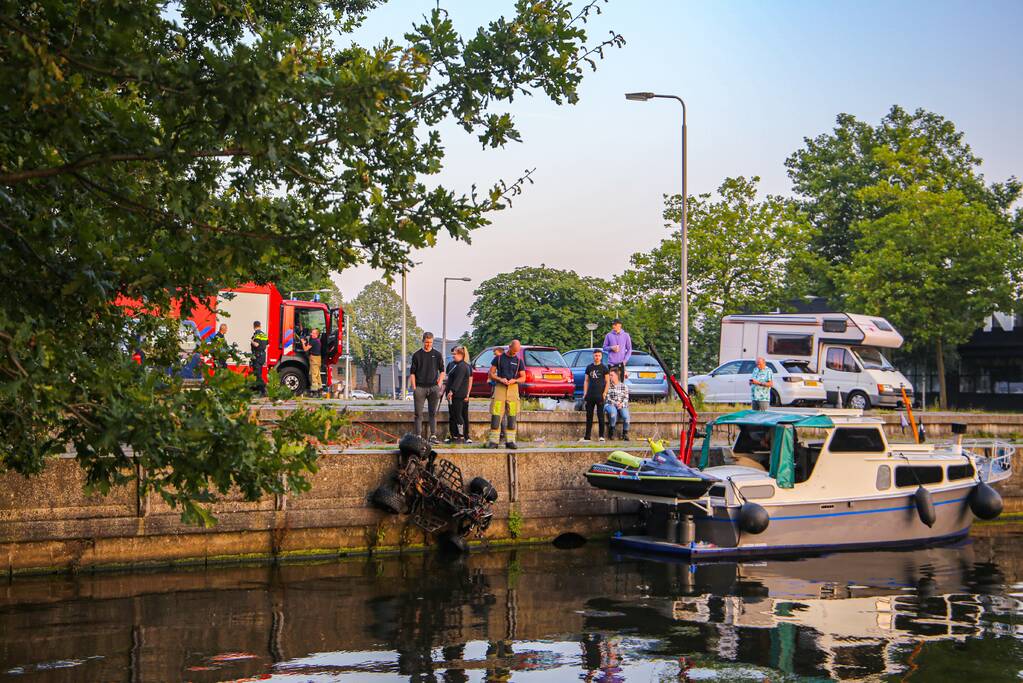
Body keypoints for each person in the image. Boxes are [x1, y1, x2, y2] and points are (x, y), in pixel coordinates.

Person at [488, 339, 526, 449]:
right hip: (500, 388)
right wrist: (500, 379)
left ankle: (510, 441)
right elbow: (491, 373)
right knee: (496, 415)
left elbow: (523, 377)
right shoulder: (498, 358)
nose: (514, 353)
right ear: (509, 347)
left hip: (513, 390)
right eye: (513, 351)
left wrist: (515, 380)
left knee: (512, 416)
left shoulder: (519, 361)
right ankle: (493, 441)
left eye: (516, 352)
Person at [410, 331, 446, 442]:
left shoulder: (437, 354)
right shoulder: (417, 355)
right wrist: (414, 388)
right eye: (426, 342)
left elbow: (442, 371)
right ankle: (418, 436)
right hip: (420, 388)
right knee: (418, 413)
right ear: (423, 341)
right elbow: (412, 373)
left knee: (433, 413)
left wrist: (439, 384)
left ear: (433, 342)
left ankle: (433, 435)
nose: (428, 344)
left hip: (433, 387)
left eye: (430, 342)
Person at [444, 346, 473, 443]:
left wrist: (452, 391)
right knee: (453, 415)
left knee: (459, 415)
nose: (453, 356)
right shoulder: (453, 365)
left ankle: (461, 435)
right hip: (452, 395)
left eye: (455, 354)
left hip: (458, 394)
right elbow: (449, 379)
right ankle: (454, 435)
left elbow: (458, 381)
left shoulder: (463, 366)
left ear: (461, 355)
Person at [581, 348, 609, 441]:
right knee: (589, 416)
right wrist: (585, 393)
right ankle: (587, 436)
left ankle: (601, 436)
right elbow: (586, 381)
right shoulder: (589, 367)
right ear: (593, 356)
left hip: (600, 395)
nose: (597, 357)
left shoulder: (604, 368)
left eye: (599, 356)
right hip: (590, 395)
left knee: (601, 416)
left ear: (601, 357)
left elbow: (607, 382)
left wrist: (604, 393)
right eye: (596, 355)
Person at [603, 369, 630, 440]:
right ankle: (611, 430)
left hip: (621, 405)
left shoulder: (624, 386)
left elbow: (626, 398)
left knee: (626, 417)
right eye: (609, 375)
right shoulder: (608, 386)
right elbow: (607, 398)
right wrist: (616, 404)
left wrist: (621, 404)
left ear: (617, 376)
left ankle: (625, 433)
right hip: (610, 404)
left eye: (612, 375)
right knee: (613, 413)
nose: (610, 377)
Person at [301, 327, 323, 395]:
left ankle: (315, 391)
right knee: (317, 375)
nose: (311, 334)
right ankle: (320, 389)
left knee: (313, 375)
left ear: (316, 334)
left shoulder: (313, 341)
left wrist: (303, 342)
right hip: (318, 359)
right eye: (311, 333)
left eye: (313, 333)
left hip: (314, 359)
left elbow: (305, 349)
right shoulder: (318, 340)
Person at [250, 320, 268, 395]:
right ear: (260, 326)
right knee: (258, 373)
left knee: (258, 374)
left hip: (257, 356)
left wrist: (251, 341)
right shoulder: (264, 334)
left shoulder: (256, 334)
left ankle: (263, 390)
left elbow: (256, 344)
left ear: (254, 326)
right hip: (263, 356)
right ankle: (257, 390)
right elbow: (267, 345)